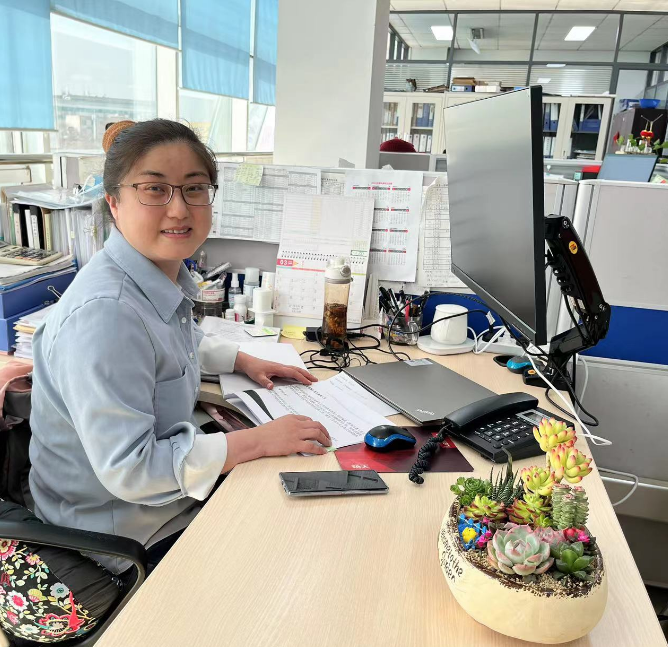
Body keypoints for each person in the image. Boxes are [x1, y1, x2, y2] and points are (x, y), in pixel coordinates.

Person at [29, 119, 331, 574]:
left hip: (150, 504)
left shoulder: (152, 276)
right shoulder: (106, 314)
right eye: (154, 189)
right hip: (118, 533)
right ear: (114, 202)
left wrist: (241, 359)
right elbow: (131, 470)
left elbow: (171, 340)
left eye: (194, 189)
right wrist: (259, 440)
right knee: (296, 548)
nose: (178, 209)